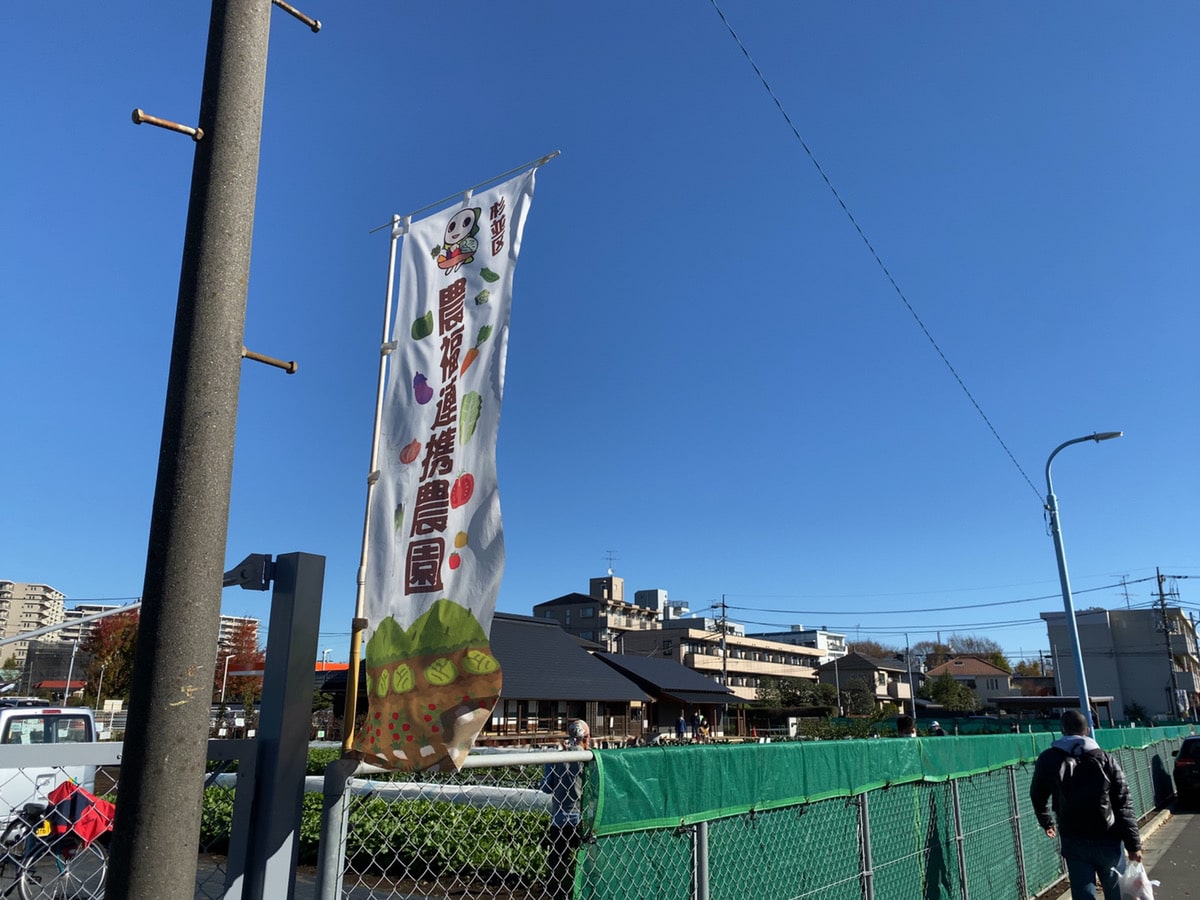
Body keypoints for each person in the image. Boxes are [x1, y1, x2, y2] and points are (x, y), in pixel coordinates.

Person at [1029, 710, 1143, 900]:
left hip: (1073, 837)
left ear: (1063, 730)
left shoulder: (1049, 759)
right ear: (1088, 730)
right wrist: (1133, 844)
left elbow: (1037, 795)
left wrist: (1047, 821)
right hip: (1109, 837)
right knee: (1117, 893)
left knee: (1083, 894)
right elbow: (1124, 802)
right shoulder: (1106, 759)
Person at [542, 719, 591, 900]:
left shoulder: (556, 759)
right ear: (586, 737)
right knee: (582, 861)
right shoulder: (589, 759)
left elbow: (546, 788)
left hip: (559, 819)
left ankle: (558, 891)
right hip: (580, 819)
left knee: (558, 862)